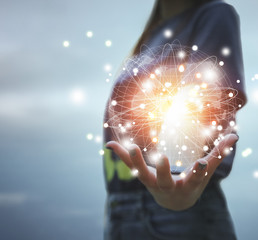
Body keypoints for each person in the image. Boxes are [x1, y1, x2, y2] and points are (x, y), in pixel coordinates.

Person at [103, 0, 247, 239]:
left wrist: (181, 188)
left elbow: (205, 99)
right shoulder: (152, 36)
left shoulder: (213, 15)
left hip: (178, 213)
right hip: (122, 210)